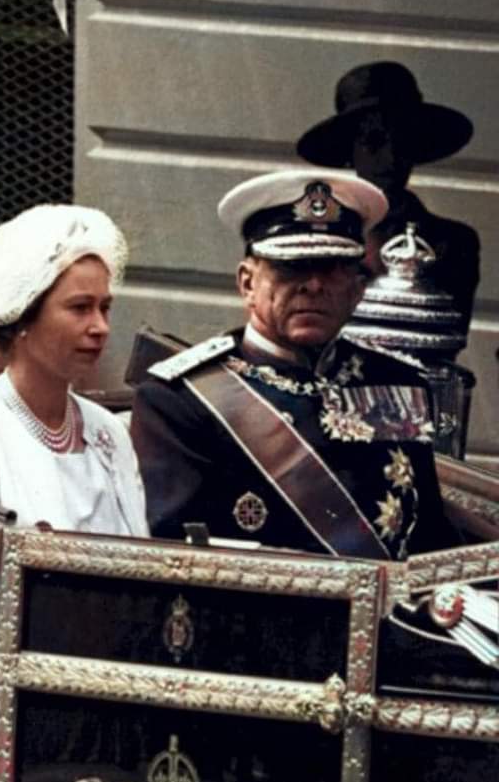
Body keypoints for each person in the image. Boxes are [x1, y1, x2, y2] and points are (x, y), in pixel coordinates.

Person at [130, 168, 459, 559]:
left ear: (357, 290)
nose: (314, 285)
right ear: (248, 283)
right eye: (293, 267)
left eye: (332, 268)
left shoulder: (402, 384)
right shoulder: (178, 399)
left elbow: (429, 541)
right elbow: (174, 558)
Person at [0, 203, 148, 537]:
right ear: (23, 317)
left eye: (105, 308)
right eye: (80, 308)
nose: (100, 326)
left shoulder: (109, 433)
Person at [296, 61, 480, 333]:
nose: (390, 157)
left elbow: (446, 337)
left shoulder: (450, 243)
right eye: (373, 142)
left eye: (402, 140)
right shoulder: (316, 240)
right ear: (350, 152)